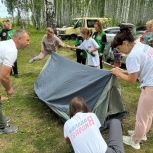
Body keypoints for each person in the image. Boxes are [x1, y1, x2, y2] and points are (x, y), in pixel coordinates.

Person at [111, 27, 153, 149]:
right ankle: (142, 134)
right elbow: (135, 71)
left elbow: (132, 79)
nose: (120, 52)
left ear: (125, 43)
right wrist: (122, 70)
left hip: (150, 87)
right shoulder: (140, 45)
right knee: (148, 114)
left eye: (119, 48)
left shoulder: (132, 56)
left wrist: (118, 73)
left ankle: (135, 141)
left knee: (141, 116)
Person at [0, 29, 30, 134]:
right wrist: (9, 89)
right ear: (19, 39)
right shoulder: (12, 50)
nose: (28, 43)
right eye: (27, 40)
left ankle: (1, 119)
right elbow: (4, 76)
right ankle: (2, 127)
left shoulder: (6, 44)